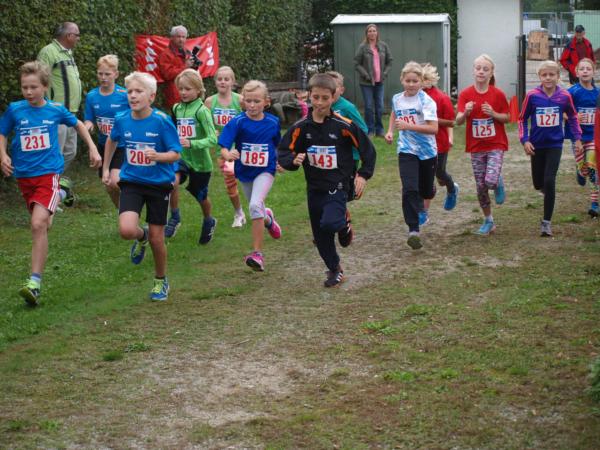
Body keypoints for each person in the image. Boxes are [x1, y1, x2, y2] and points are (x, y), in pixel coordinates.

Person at [0, 61, 101, 306]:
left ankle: (34, 284)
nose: (28, 92)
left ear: (45, 87)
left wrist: (93, 148)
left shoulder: (55, 110)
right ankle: (63, 191)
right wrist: (2, 155)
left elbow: (78, 124)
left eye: (34, 87)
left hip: (48, 173)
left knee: (37, 224)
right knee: (45, 225)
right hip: (24, 176)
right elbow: (2, 132)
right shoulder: (15, 110)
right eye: (24, 87)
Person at [278, 73, 376, 287]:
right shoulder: (301, 127)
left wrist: (363, 174)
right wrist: (293, 161)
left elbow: (367, 149)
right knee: (320, 235)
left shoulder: (344, 125)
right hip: (315, 187)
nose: (320, 103)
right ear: (309, 97)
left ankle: (342, 223)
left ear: (333, 97)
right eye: (316, 97)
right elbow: (284, 151)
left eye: (325, 98)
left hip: (338, 184)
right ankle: (334, 269)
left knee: (330, 222)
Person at [103, 72, 181, 301]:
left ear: (151, 96)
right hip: (132, 182)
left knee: (158, 239)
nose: (133, 96)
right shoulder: (122, 119)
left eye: (139, 91)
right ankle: (141, 235)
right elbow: (111, 140)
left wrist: (158, 156)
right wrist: (106, 168)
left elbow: (176, 153)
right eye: (130, 92)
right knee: (127, 230)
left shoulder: (161, 121)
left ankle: (160, 280)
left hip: (158, 185)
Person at [218, 80, 282, 271]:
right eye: (248, 101)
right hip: (245, 172)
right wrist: (228, 155)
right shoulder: (238, 122)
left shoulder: (273, 122)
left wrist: (280, 161)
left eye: (256, 101)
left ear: (266, 102)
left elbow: (277, 145)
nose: (252, 105)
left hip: (266, 170)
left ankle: (257, 254)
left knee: (254, 206)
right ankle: (268, 219)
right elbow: (224, 146)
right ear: (243, 102)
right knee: (258, 209)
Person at [519, 60, 582, 237]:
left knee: (550, 180)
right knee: (538, 183)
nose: (548, 78)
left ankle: (546, 223)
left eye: (551, 74)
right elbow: (522, 119)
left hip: (555, 144)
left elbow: (573, 116)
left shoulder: (564, 96)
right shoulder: (532, 96)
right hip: (536, 145)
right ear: (539, 77)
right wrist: (525, 140)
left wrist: (577, 138)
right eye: (544, 75)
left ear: (557, 76)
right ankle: (545, 190)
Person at [385, 61, 438, 250]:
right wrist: (390, 131)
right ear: (402, 80)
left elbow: (434, 128)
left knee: (425, 191)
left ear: (421, 81)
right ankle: (413, 230)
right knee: (409, 189)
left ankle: (430, 191)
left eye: (415, 81)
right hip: (406, 150)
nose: (411, 84)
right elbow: (395, 113)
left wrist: (409, 126)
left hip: (427, 152)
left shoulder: (426, 101)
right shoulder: (397, 98)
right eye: (408, 81)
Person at [456, 54, 509, 236]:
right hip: (476, 146)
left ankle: (497, 181)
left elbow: (507, 117)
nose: (481, 71)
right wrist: (466, 112)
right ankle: (489, 221)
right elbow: (458, 121)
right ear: (473, 70)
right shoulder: (465, 94)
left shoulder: (498, 94)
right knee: (481, 187)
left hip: (495, 144)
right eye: (478, 68)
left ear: (491, 73)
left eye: (485, 69)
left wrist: (493, 113)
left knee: (490, 180)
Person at [168, 69, 218, 243]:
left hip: (201, 163)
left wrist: (192, 143)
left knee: (200, 196)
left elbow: (212, 139)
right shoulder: (176, 108)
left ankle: (209, 220)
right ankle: (174, 217)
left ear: (198, 90)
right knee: (171, 181)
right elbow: (172, 131)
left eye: (187, 89)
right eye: (180, 89)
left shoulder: (202, 111)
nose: (183, 92)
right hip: (181, 158)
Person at [84, 55, 129, 208]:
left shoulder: (124, 95)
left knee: (115, 181)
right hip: (103, 146)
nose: (103, 77)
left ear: (116, 74)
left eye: (107, 74)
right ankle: (123, 211)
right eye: (100, 73)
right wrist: (88, 126)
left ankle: (130, 205)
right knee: (109, 186)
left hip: (122, 146)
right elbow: (89, 119)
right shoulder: (92, 96)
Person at [328, 70, 368, 242]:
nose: (331, 90)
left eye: (334, 87)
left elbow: (363, 129)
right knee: (329, 190)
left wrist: (346, 138)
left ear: (341, 89)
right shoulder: (321, 106)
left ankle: (343, 219)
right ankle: (334, 226)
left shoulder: (347, 107)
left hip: (349, 156)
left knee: (342, 191)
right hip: (328, 157)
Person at [37, 22, 83, 171]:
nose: (78, 38)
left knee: (70, 152)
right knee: (55, 153)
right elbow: (39, 80)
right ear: (69, 36)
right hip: (55, 113)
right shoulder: (48, 52)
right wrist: (44, 108)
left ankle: (56, 179)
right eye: (77, 35)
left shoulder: (67, 53)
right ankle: (49, 181)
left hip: (70, 113)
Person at [205, 66, 246, 227]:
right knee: (230, 180)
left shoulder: (240, 100)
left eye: (226, 79)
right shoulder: (210, 102)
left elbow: (250, 118)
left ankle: (257, 208)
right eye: (219, 79)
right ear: (215, 82)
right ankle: (239, 213)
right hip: (223, 149)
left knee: (249, 179)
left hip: (241, 147)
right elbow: (204, 122)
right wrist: (211, 131)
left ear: (232, 82)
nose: (222, 82)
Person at [420, 63, 458, 224]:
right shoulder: (411, 96)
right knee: (422, 177)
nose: (420, 83)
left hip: (439, 144)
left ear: (431, 79)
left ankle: (452, 188)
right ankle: (423, 212)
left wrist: (431, 119)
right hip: (419, 144)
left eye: (423, 79)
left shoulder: (441, 98)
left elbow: (451, 122)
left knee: (440, 173)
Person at [565, 58, 599, 217]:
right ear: (576, 72)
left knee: (593, 168)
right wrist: (573, 117)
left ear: (594, 72)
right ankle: (580, 171)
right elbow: (561, 111)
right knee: (584, 169)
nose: (585, 71)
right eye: (582, 69)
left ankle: (594, 203)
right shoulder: (572, 92)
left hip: (593, 136)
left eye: (588, 69)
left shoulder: (598, 93)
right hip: (577, 137)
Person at [354, 23, 393, 137]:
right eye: (369, 31)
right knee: (369, 107)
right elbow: (356, 63)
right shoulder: (362, 47)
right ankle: (370, 130)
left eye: (374, 31)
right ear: (366, 34)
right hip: (366, 82)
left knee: (380, 106)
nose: (372, 33)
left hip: (379, 81)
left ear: (377, 32)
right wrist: (365, 75)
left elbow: (390, 61)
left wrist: (385, 73)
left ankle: (379, 130)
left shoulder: (383, 46)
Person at [157, 25, 194, 109]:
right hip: (174, 96)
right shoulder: (165, 54)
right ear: (172, 37)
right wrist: (185, 66)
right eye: (178, 37)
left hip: (189, 92)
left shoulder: (187, 51)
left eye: (183, 37)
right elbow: (167, 74)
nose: (181, 39)